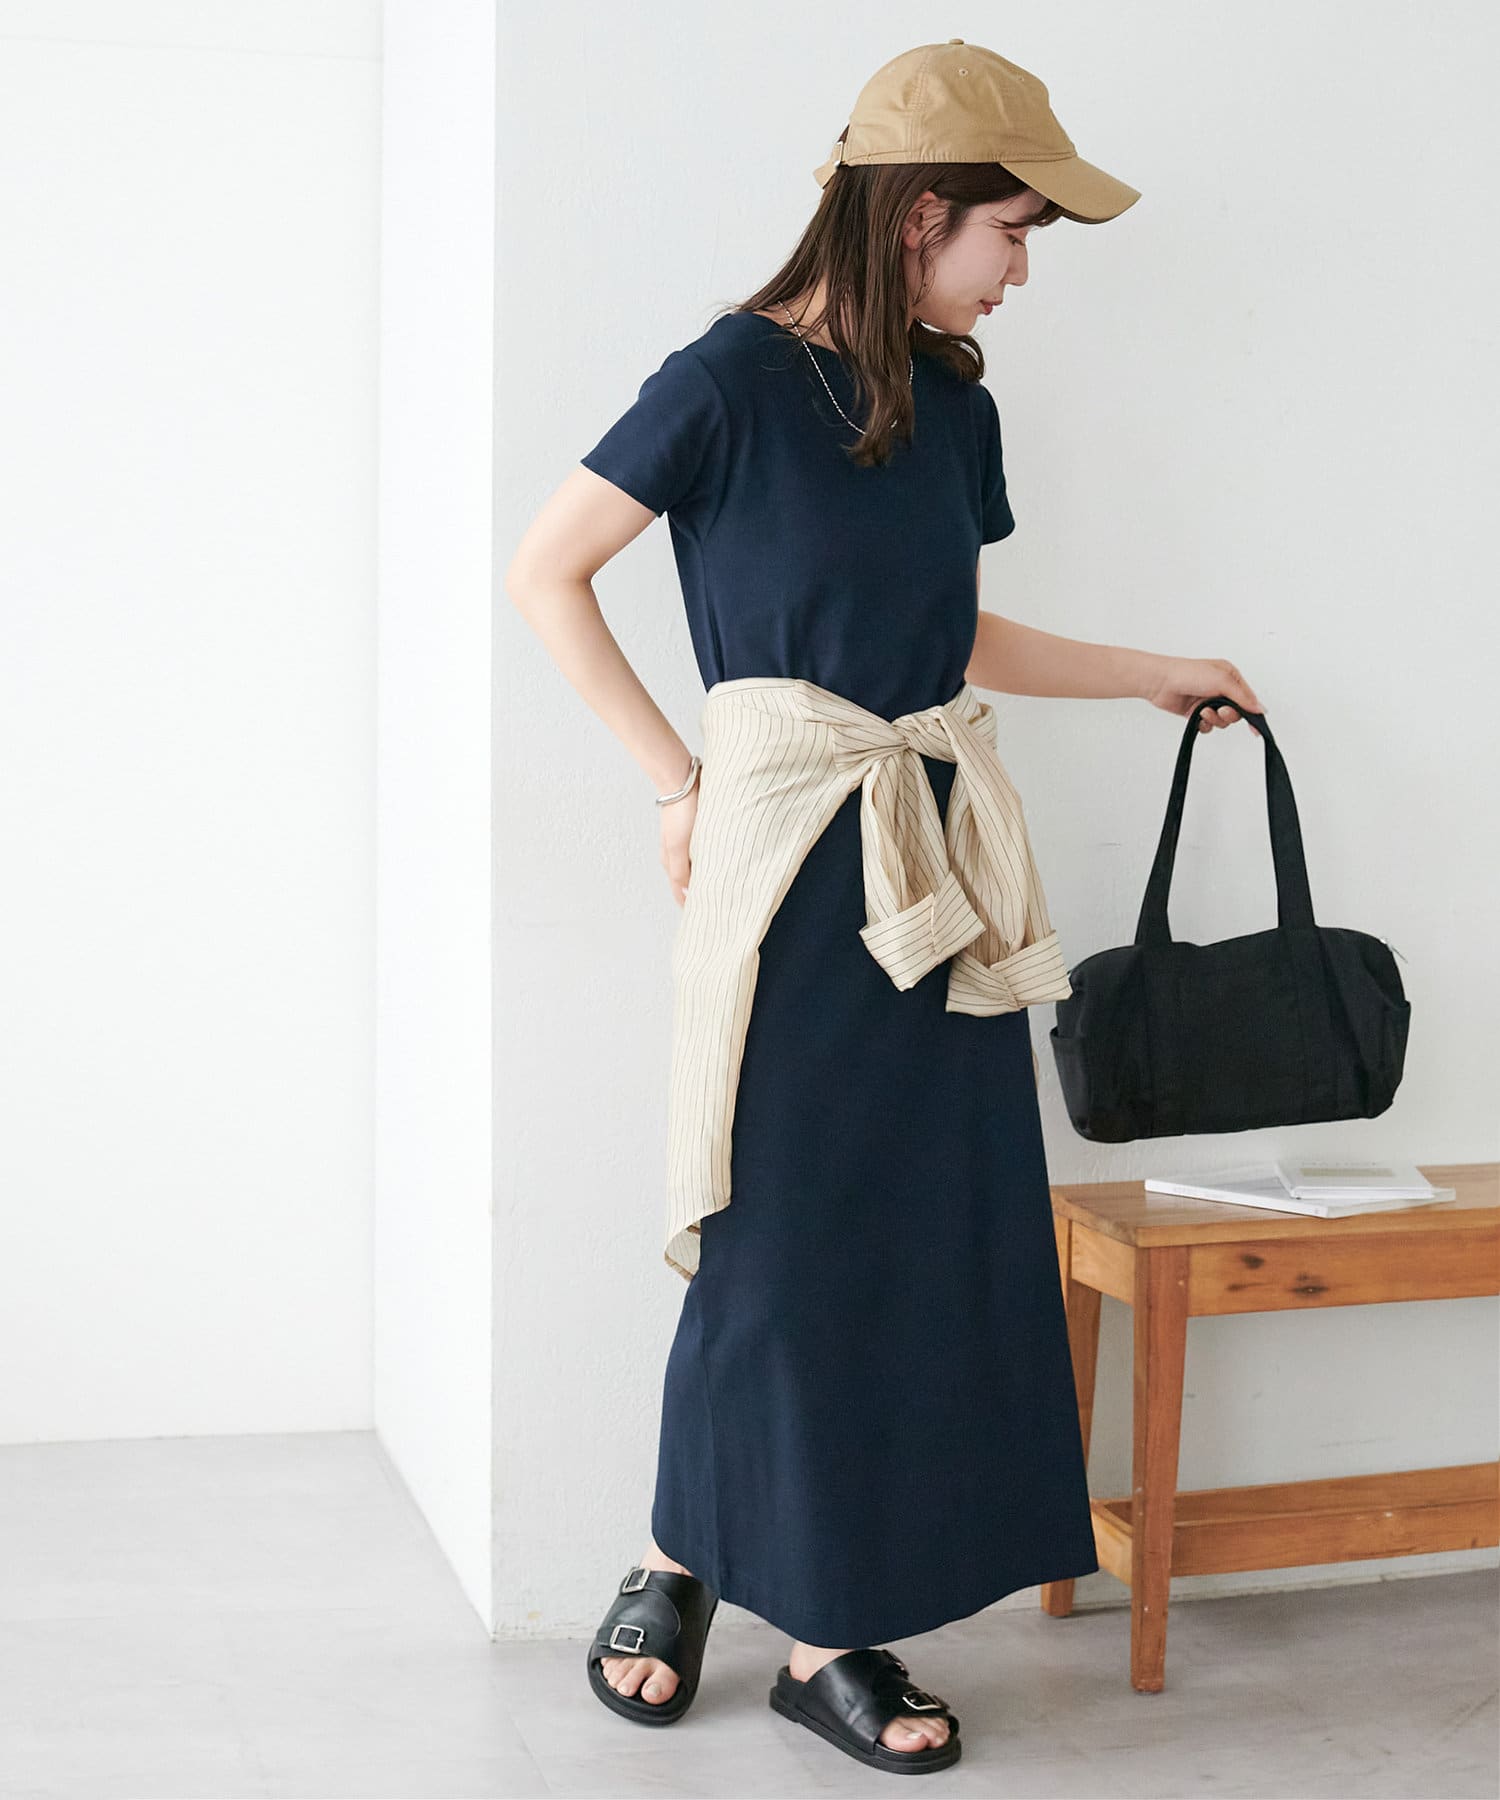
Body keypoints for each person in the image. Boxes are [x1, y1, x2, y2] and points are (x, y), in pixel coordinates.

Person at [506, 38, 1264, 1776]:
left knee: (914, 1245)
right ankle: (697, 1558)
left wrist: (1151, 670)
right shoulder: (723, 381)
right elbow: (546, 571)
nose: (1022, 271)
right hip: (790, 858)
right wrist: (675, 782)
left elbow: (946, 630)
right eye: (1014, 231)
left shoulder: (954, 403)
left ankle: (805, 1622)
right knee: (773, 1232)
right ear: (920, 213)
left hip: (933, 855)